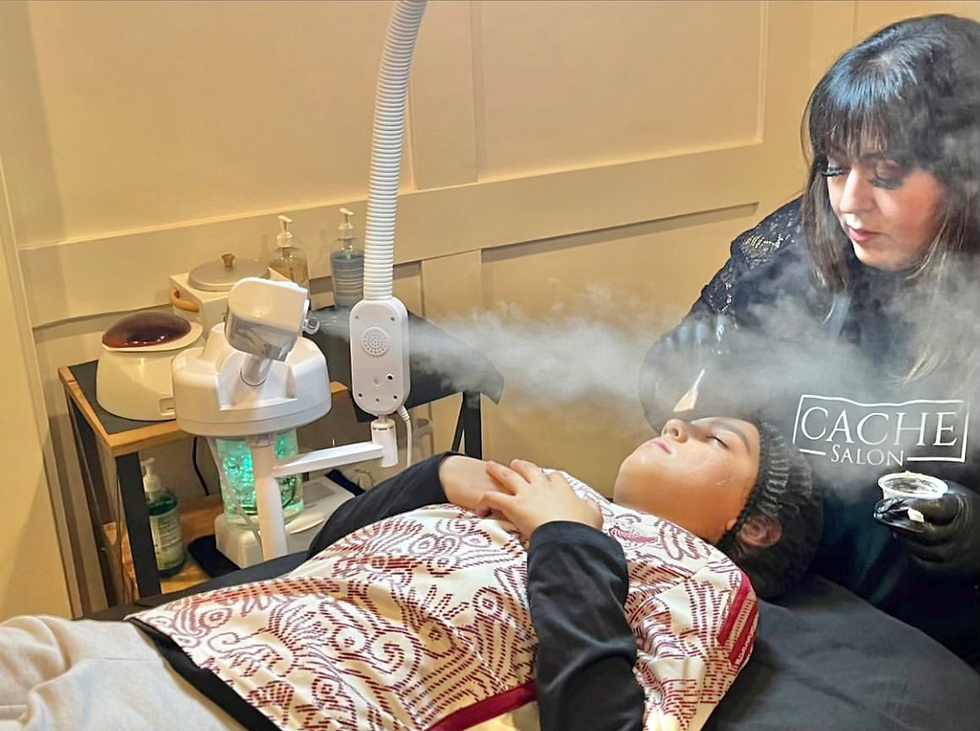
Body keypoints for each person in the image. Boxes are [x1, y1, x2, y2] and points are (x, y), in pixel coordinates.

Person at [0, 412, 821, 731]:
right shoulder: (557, 494)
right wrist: (435, 480)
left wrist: (569, 542)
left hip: (236, 711)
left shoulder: (704, 582)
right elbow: (327, 559)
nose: (676, 420)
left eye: (714, 439)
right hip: (163, 637)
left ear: (753, 522)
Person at [639, 14, 980, 668]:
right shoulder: (787, 261)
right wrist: (678, 388)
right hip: (774, 627)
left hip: (938, 660)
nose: (850, 202)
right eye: (835, 166)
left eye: (885, 174)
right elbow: (695, 439)